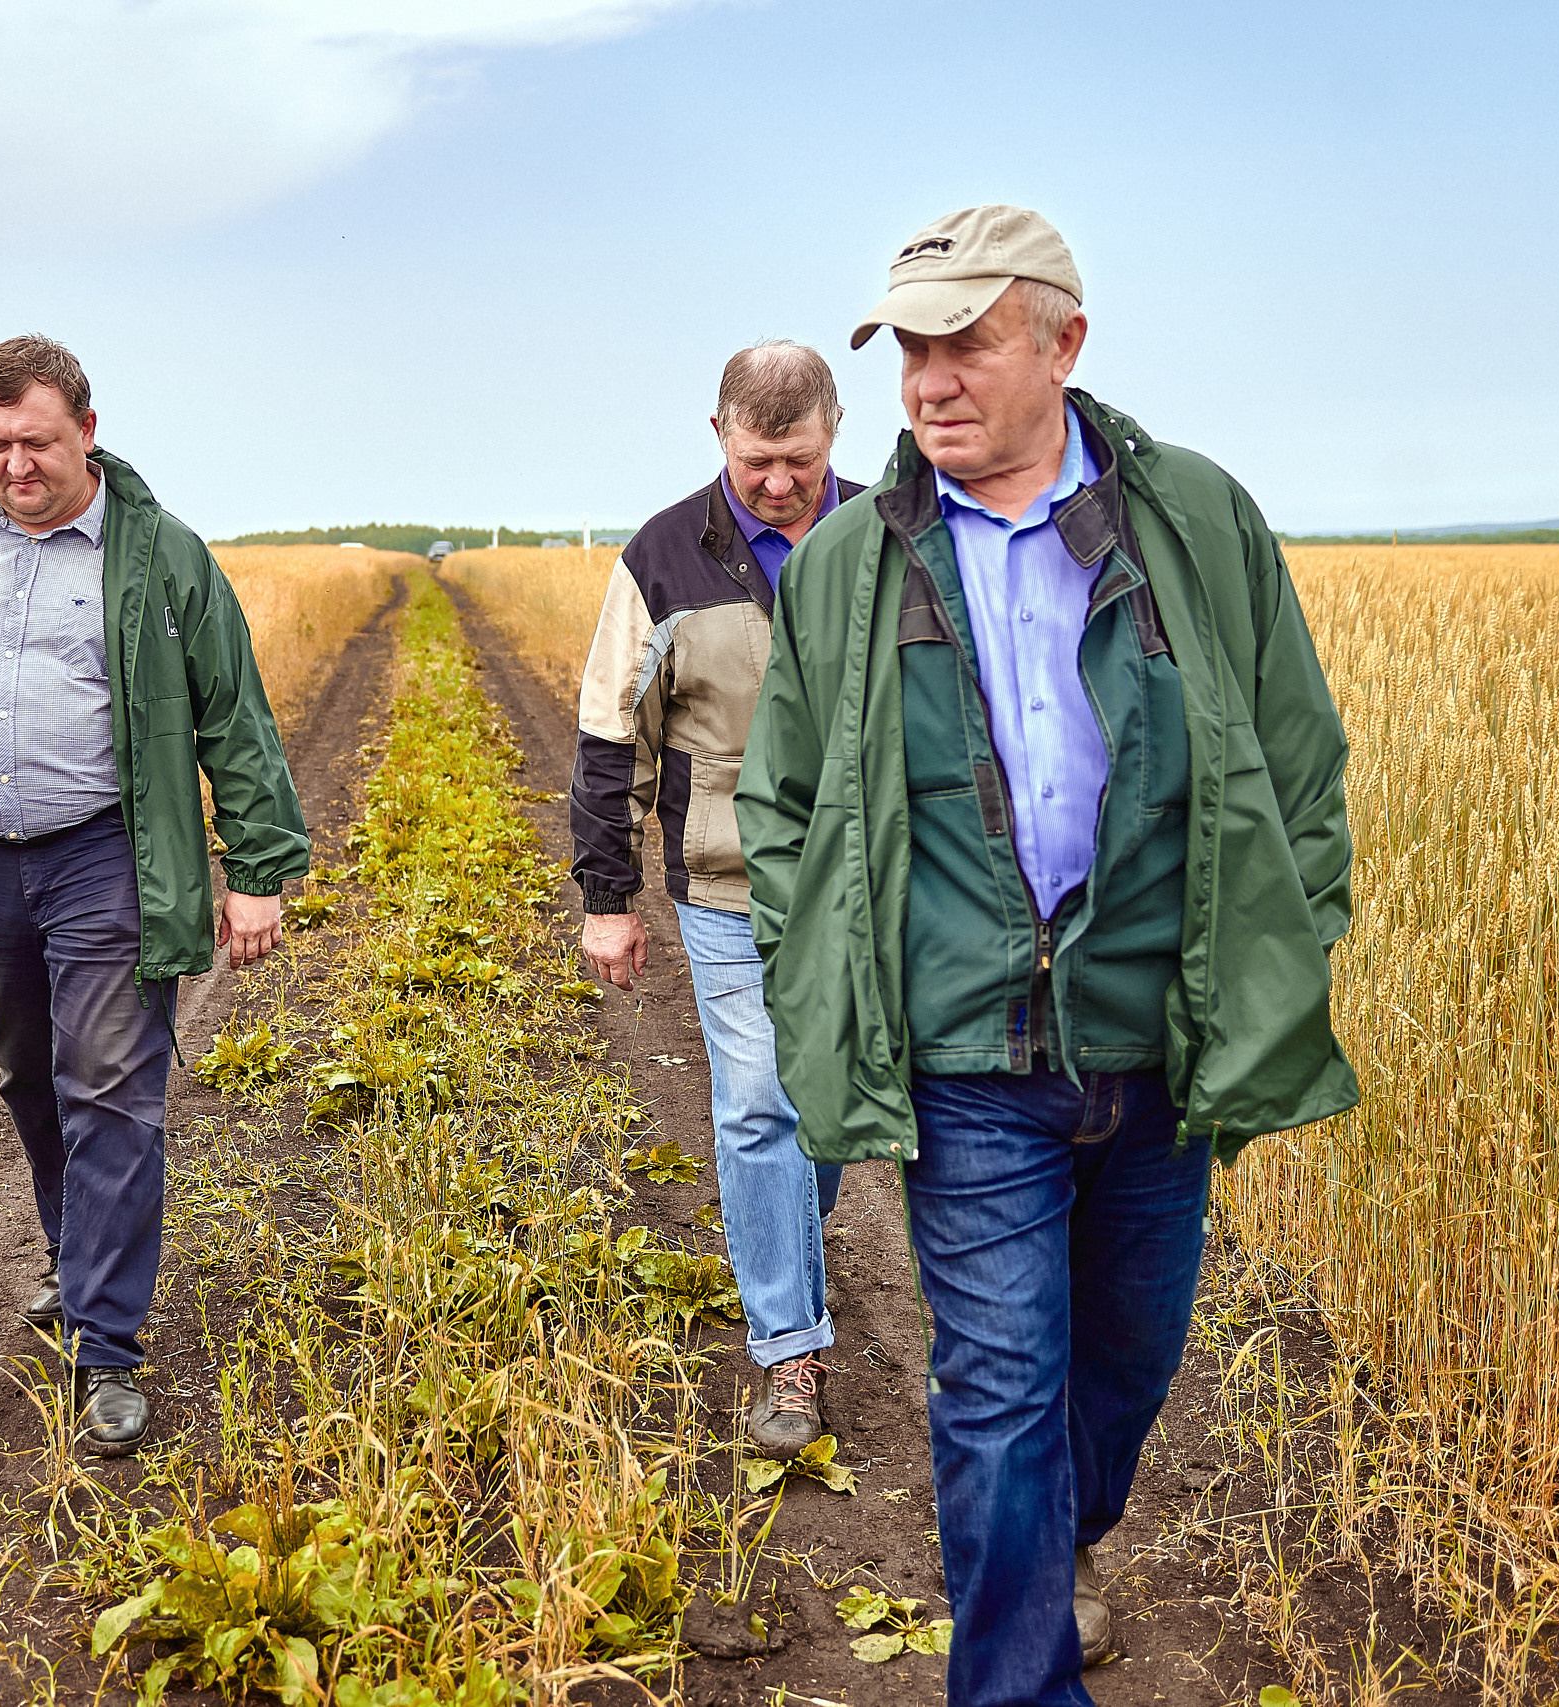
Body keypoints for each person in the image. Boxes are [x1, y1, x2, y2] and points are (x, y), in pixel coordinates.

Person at [736, 207, 1356, 1705]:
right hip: (966, 1055)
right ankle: (1013, 1678)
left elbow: (1298, 766)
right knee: (1000, 1388)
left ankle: (1056, 1541)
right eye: (912, 350)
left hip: (1161, 1037)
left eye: (966, 343)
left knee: (1125, 1370)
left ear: (1065, 344)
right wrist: (828, 970)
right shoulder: (848, 567)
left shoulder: (1197, 521)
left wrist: (1280, 959)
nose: (929, 381)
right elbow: (785, 803)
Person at [0, 335, 308, 1456]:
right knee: (29, 1075)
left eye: (35, 442)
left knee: (109, 1089)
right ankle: (72, 1251)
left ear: (86, 431)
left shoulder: (160, 556)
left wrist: (258, 871)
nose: (14, 465)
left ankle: (107, 1347)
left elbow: (233, 713)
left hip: (107, 855)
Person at [571, 342, 862, 1458]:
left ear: (834, 431)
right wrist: (610, 896)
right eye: (756, 462)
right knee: (758, 1105)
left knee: (828, 1104)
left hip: (863, 883)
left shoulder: (892, 541)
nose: (779, 482)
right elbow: (609, 737)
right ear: (717, 436)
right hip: (725, 881)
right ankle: (789, 1351)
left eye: (799, 458)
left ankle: (783, 1234)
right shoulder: (660, 558)